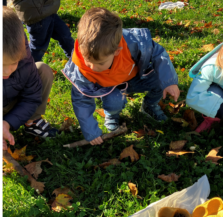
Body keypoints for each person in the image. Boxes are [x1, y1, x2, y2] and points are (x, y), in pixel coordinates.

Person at [63, 7, 179, 145]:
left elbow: (158, 54)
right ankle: (111, 115)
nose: (93, 68)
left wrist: (170, 81)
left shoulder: (134, 44)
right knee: (114, 102)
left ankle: (149, 105)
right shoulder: (82, 68)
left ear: (117, 52)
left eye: (100, 63)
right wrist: (91, 132)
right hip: (108, 88)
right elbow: (81, 101)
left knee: (160, 80)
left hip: (134, 78)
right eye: (88, 61)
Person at [2, 7, 58, 146]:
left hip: (13, 102)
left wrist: (7, 122)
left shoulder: (24, 57)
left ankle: (32, 121)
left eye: (14, 63)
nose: (7, 71)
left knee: (43, 69)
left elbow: (32, 97)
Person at [186, 43, 223, 132]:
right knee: (212, 90)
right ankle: (212, 118)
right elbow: (193, 96)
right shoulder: (212, 67)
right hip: (219, 94)